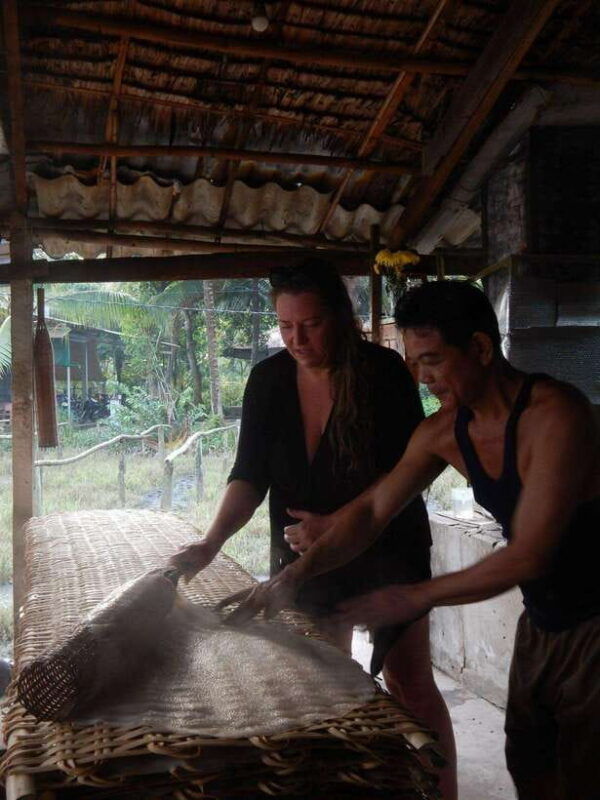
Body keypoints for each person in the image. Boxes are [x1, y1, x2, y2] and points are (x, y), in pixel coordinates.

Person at [223, 279, 600, 800]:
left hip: (594, 622)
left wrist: (414, 595)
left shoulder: (557, 415)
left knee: (584, 771)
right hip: (544, 622)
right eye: (413, 362)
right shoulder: (444, 432)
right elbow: (373, 510)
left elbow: (530, 553)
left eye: (433, 360)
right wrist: (291, 578)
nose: (421, 378)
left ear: (482, 348)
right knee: (530, 762)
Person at [170, 259, 457, 799]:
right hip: (303, 564)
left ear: (340, 317)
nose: (296, 339)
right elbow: (249, 476)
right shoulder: (269, 380)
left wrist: (335, 523)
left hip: (388, 549)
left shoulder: (383, 373)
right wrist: (211, 542)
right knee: (325, 688)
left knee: (410, 683)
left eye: (311, 324)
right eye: (285, 326)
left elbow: (406, 473)